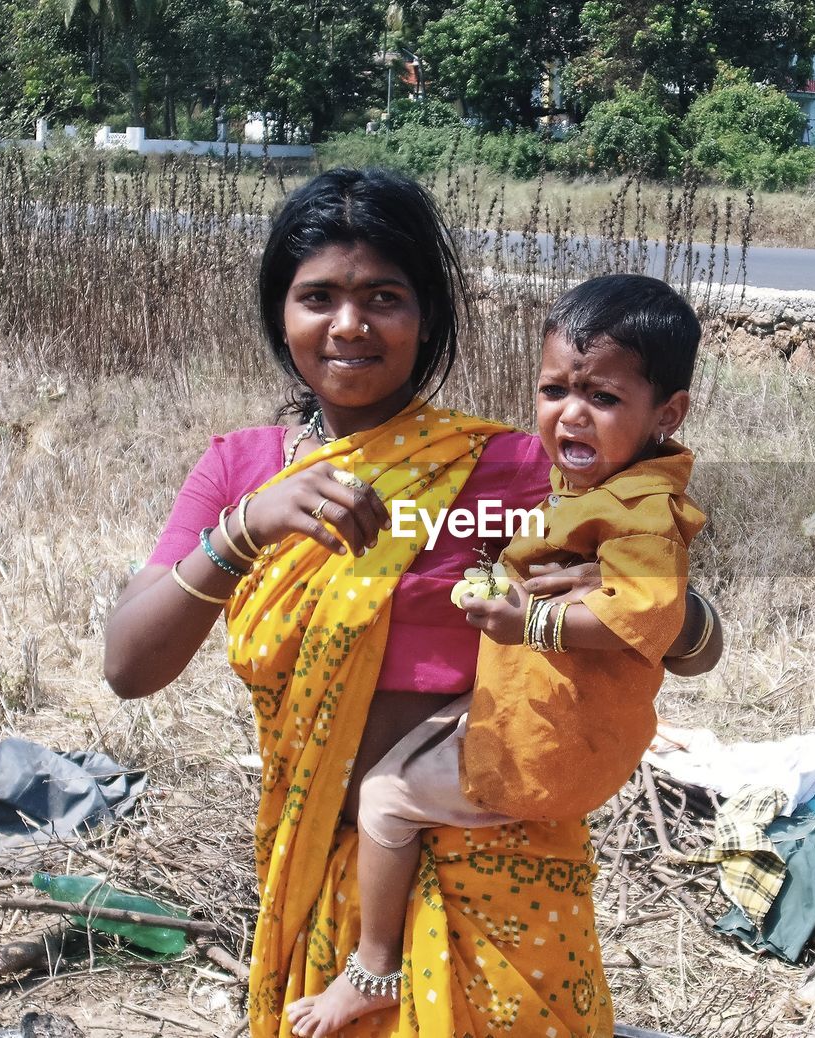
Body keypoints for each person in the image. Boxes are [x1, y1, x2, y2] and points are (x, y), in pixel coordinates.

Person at [103, 167, 723, 1038]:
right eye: (317, 296)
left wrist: (658, 611)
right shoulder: (243, 472)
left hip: (496, 866)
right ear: (280, 314)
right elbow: (129, 666)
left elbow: (689, 641)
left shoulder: (516, 466)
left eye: (383, 296)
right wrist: (247, 529)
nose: (349, 324)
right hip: (326, 865)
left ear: (426, 314)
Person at [285, 274, 707, 1037]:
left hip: (534, 752)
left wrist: (536, 621)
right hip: (505, 719)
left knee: (385, 797)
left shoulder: (618, 499)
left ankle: (374, 968)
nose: (570, 414)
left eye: (602, 399)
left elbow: (661, 620)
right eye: (552, 390)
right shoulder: (558, 477)